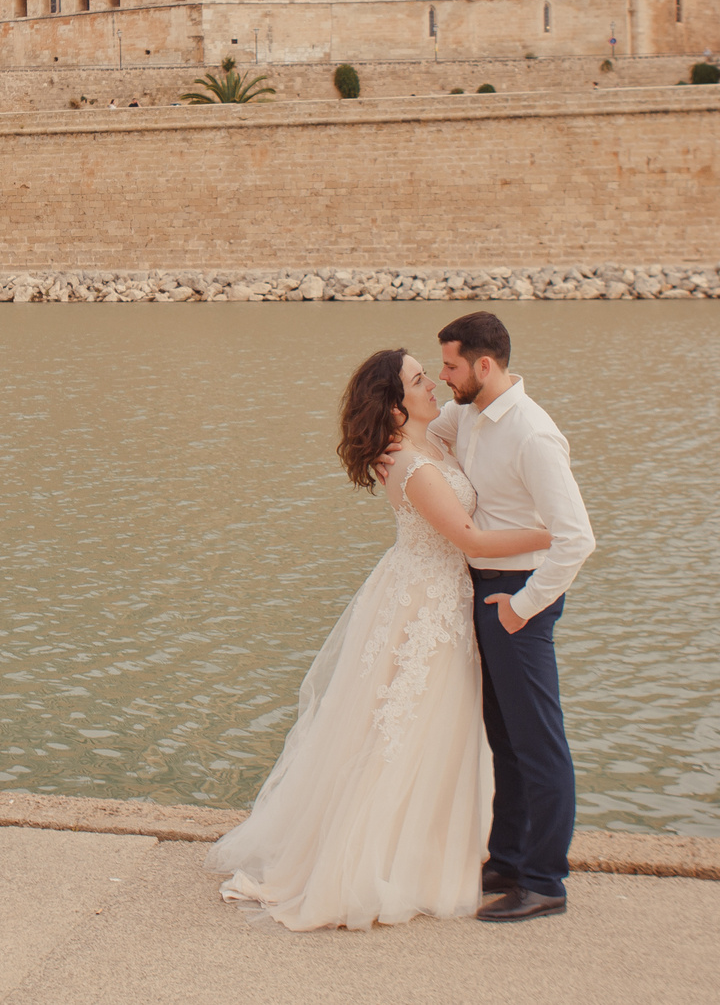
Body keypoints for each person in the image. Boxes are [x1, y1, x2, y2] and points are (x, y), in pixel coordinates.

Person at [210, 348, 552, 931]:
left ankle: (434, 852)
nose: (434, 386)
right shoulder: (412, 467)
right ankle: (377, 863)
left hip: (435, 595)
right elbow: (467, 537)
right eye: (421, 381)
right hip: (427, 605)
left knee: (434, 728)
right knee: (409, 727)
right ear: (395, 408)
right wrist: (551, 535)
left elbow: (480, 414)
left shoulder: (431, 440)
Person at [402, 310, 596, 922]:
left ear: (484, 365)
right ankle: (507, 859)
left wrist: (522, 608)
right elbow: (420, 427)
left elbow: (577, 539)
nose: (443, 375)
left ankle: (545, 881)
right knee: (505, 739)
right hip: (484, 590)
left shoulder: (533, 435)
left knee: (539, 743)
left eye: (452, 365)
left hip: (519, 596)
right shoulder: (471, 412)